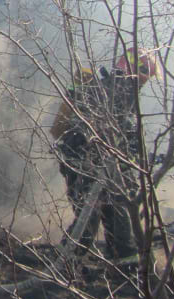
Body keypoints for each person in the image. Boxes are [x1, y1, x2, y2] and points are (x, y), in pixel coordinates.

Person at [51, 48, 160, 265]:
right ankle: (62, 268)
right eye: (145, 73)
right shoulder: (109, 90)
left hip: (105, 169)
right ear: (136, 70)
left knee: (120, 222)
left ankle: (126, 272)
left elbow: (125, 138)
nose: (145, 82)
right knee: (88, 222)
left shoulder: (124, 94)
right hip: (84, 164)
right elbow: (95, 130)